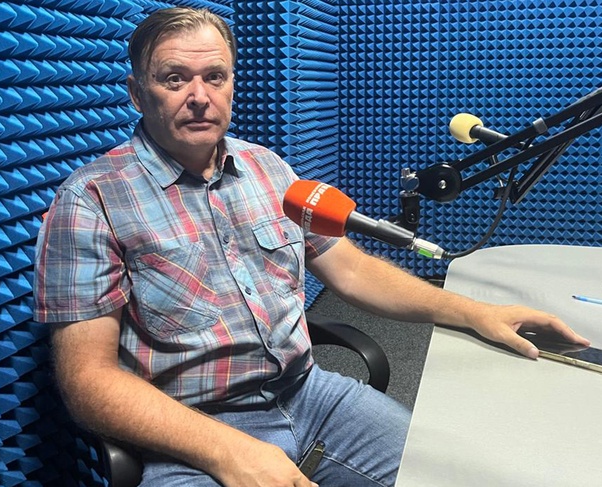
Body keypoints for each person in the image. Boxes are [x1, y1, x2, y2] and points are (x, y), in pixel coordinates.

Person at [33, 7, 589, 487]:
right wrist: (227, 450)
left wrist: (474, 312)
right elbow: (88, 382)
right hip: (193, 428)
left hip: (311, 395)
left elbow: (352, 270)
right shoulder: (91, 200)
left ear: (232, 84)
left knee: (453, 474)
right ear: (138, 92)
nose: (199, 97)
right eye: (174, 79)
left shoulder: (268, 169)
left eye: (215, 76)